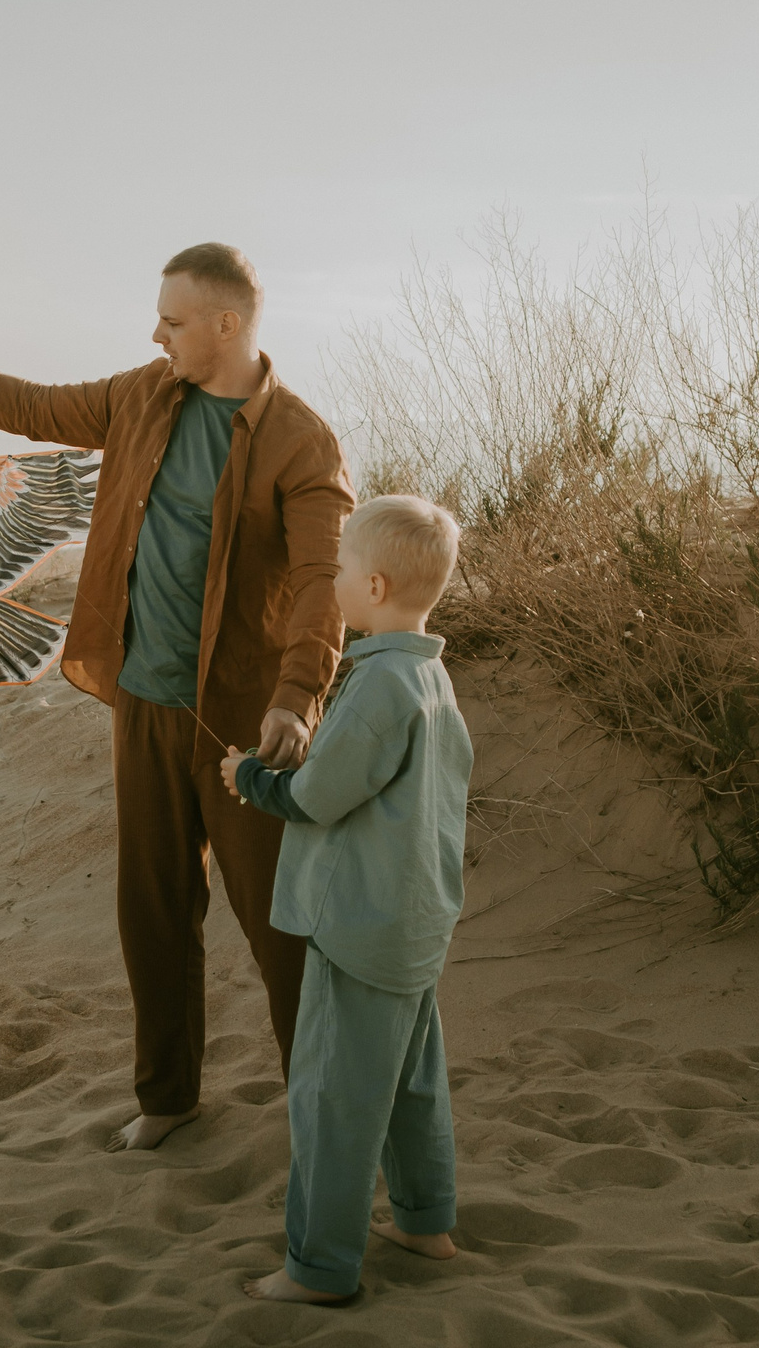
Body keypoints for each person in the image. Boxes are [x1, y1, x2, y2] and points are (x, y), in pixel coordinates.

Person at [0, 243, 353, 1153]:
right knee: (153, 911)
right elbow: (31, 405)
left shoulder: (299, 440)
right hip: (143, 704)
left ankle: (322, 1106)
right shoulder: (142, 396)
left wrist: (298, 695)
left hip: (244, 720)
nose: (155, 332)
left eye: (173, 319)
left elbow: (323, 579)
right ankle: (168, 1099)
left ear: (227, 324)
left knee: (281, 925)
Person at [219, 494, 472, 1303]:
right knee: (412, 1081)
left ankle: (320, 1267)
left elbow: (320, 796)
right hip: (416, 923)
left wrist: (251, 779)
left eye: (340, 574)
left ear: (375, 584)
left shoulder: (378, 687)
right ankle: (425, 1221)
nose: (331, 587)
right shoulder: (431, 676)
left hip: (361, 926)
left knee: (332, 1096)